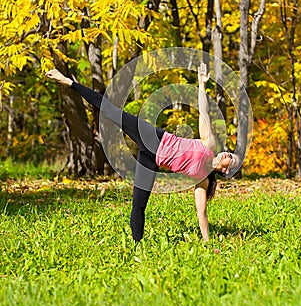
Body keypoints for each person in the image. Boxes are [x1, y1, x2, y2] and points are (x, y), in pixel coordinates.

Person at [46, 63, 239, 242]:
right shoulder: (209, 145)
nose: (227, 154)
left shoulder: (202, 180)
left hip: (151, 159)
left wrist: (207, 242)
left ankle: (136, 247)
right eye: (230, 153)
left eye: (231, 159)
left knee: (139, 202)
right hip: (154, 137)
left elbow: (201, 213)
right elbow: (203, 112)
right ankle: (68, 81)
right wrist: (201, 84)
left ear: (225, 171)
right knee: (111, 111)